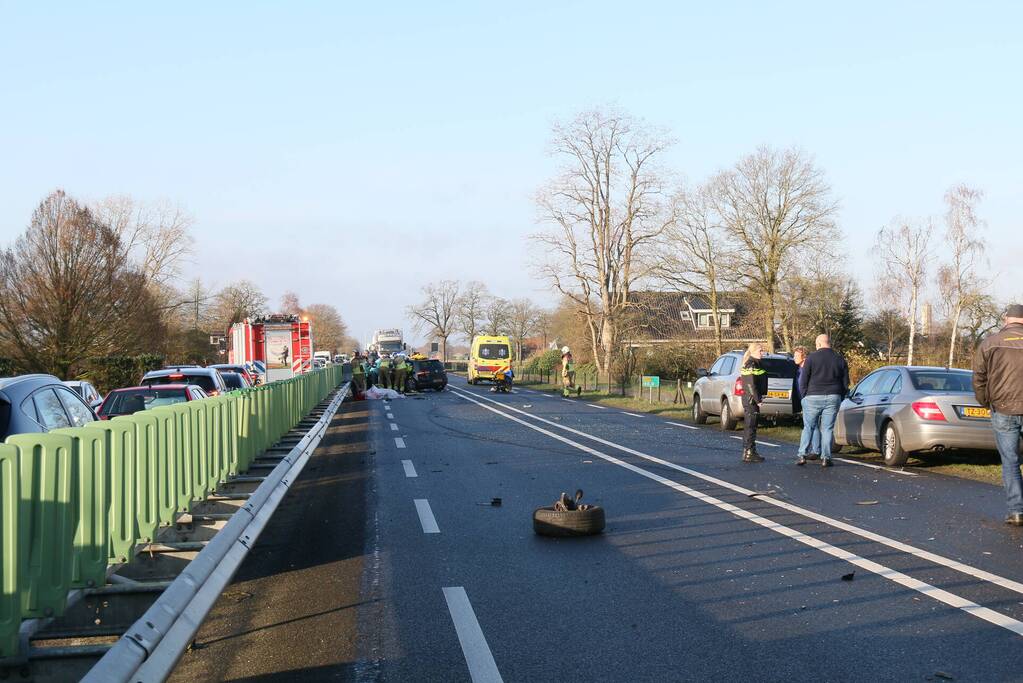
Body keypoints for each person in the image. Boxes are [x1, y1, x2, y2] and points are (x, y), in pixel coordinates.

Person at [972, 304, 1023, 526]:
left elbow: (979, 377)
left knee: (1010, 460)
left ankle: (1017, 511)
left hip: (1003, 407)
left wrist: (985, 401)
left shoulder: (990, 343)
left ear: (1006, 319)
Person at [796, 334, 850, 467]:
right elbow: (845, 383)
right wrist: (840, 396)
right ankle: (826, 458)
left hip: (812, 396)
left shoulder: (811, 358)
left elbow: (803, 380)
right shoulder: (840, 359)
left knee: (808, 427)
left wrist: (804, 396)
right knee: (827, 429)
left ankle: (802, 455)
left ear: (819, 344)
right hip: (833, 396)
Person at [739, 343, 768, 463]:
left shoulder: (754, 363)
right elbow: (751, 384)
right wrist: (758, 399)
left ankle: (749, 451)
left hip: (750, 398)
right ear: (753, 351)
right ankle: (749, 452)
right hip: (751, 399)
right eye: (760, 350)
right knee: (751, 426)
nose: (762, 353)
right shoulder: (751, 364)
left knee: (751, 425)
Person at [792, 346, 821, 460]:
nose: (794, 357)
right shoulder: (799, 369)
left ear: (804, 357)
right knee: (813, 425)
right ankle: (815, 450)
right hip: (804, 399)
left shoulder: (807, 369)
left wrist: (805, 398)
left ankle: (807, 451)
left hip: (809, 399)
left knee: (809, 426)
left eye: (796, 355)